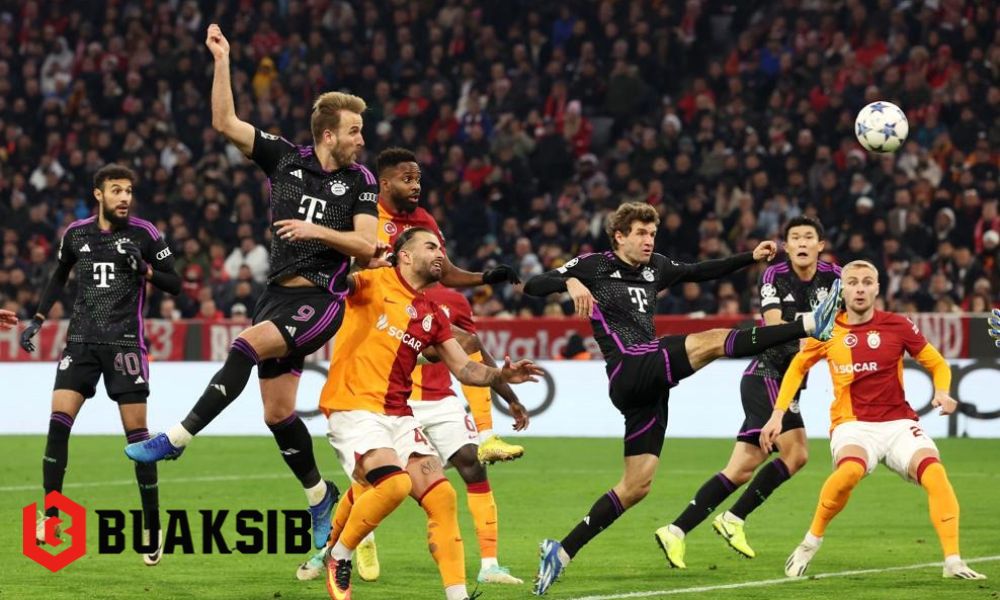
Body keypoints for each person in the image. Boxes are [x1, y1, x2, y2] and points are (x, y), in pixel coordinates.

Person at [125, 23, 379, 551]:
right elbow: (224, 122)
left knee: (244, 346)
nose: (362, 139)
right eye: (354, 131)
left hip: (320, 298)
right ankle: (320, 497)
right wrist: (222, 61)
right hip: (276, 296)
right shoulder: (285, 159)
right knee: (278, 413)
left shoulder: (360, 181)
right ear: (328, 135)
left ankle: (176, 439)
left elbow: (365, 244)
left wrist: (315, 231)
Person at [521, 202, 841, 595]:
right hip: (629, 365)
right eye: (641, 233)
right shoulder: (594, 265)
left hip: (649, 388)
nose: (648, 240)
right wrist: (569, 281)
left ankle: (562, 551)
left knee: (637, 485)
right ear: (619, 236)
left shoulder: (655, 267)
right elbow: (533, 284)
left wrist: (750, 257)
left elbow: (699, 271)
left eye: (652, 234)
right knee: (714, 340)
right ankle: (809, 323)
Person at [317, 227, 541, 600]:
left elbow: (465, 368)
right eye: (431, 246)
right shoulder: (371, 282)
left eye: (442, 247)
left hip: (398, 414)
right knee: (394, 485)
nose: (440, 253)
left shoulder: (432, 314)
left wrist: (502, 376)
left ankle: (458, 597)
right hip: (354, 405)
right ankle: (339, 556)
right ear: (404, 255)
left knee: (443, 498)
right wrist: (352, 254)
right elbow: (333, 282)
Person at [761, 260, 987, 580]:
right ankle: (810, 542)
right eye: (853, 282)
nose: (860, 288)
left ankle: (953, 562)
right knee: (850, 471)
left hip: (898, 423)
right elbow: (798, 367)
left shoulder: (898, 325)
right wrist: (777, 413)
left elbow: (937, 363)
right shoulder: (827, 329)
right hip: (852, 424)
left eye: (867, 282)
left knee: (936, 474)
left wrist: (942, 391)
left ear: (877, 288)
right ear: (843, 289)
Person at [20, 164, 181, 565]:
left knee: (139, 442)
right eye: (116, 190)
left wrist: (145, 270)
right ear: (99, 194)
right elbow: (59, 275)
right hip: (81, 343)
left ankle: (151, 526)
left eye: (128, 191)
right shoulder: (76, 234)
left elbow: (175, 282)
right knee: (58, 425)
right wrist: (38, 318)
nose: (124, 198)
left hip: (125, 345)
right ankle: (51, 515)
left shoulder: (145, 234)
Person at [657, 216, 840, 566]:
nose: (802, 242)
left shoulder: (836, 278)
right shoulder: (774, 275)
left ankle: (675, 530)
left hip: (790, 381)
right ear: (787, 246)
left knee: (741, 469)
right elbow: (772, 326)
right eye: (795, 237)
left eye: (809, 237)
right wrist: (815, 337)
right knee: (795, 452)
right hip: (766, 376)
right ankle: (733, 518)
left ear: (820, 245)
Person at [374, 147, 523, 464]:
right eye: (407, 179)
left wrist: (486, 277)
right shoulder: (367, 217)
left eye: (418, 179)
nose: (416, 185)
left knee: (468, 343)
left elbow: (446, 271)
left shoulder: (422, 219)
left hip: (409, 313)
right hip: (375, 314)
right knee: (388, 471)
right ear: (385, 184)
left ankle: (487, 437)